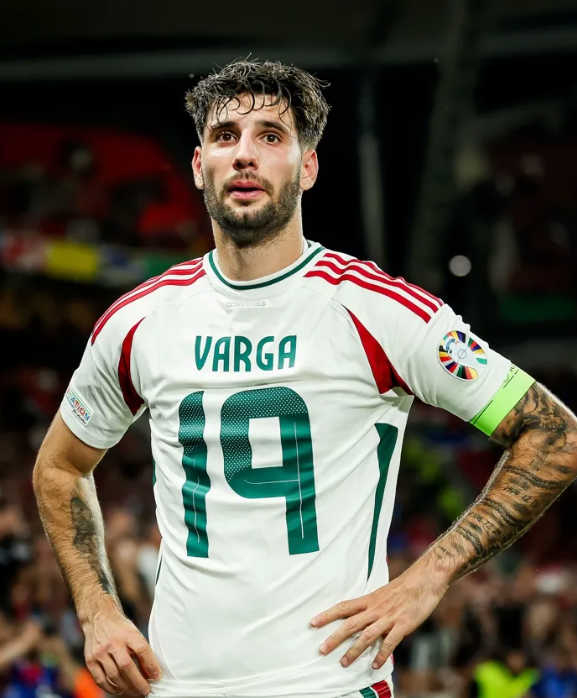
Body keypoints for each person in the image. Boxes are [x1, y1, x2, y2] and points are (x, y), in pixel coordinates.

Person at [32, 59, 577, 698]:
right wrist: (97, 612)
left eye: (270, 136)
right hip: (176, 687)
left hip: (329, 684)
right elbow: (59, 466)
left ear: (309, 166)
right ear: (199, 165)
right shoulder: (139, 320)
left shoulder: (378, 310)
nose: (244, 154)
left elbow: (554, 434)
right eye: (225, 136)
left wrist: (428, 577)